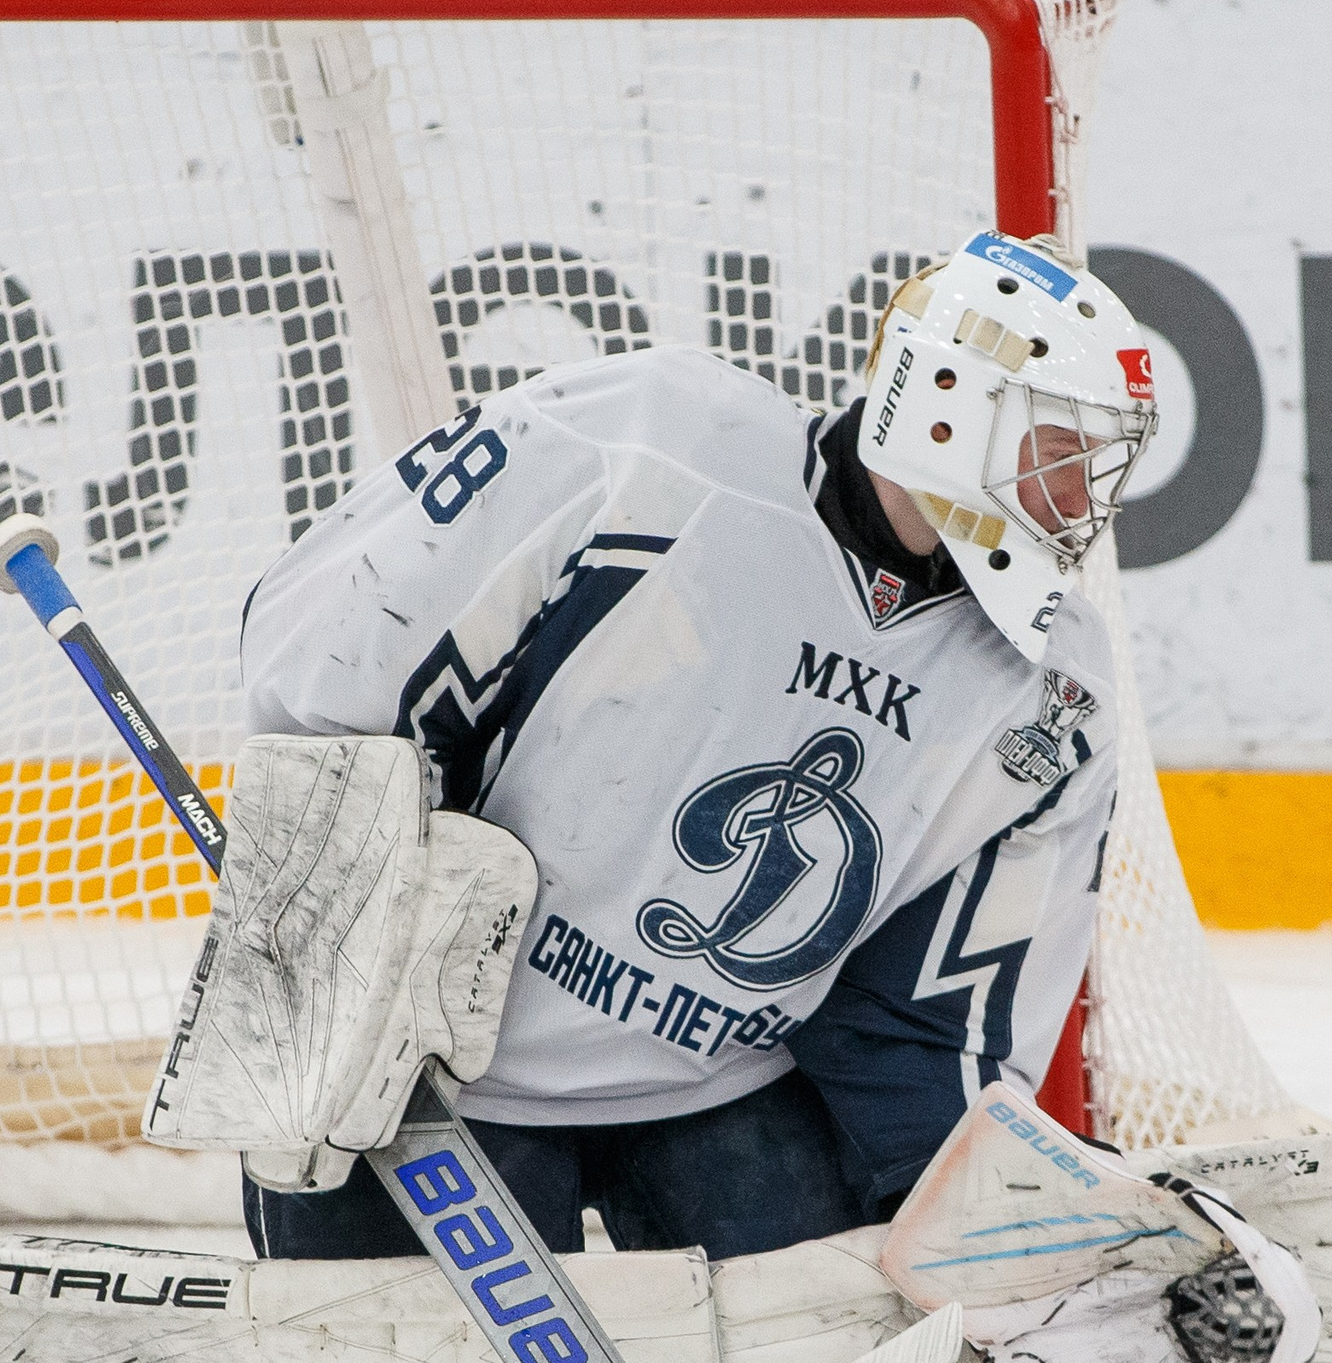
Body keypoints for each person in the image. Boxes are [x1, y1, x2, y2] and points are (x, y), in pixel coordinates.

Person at [228, 230, 1158, 1262]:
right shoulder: (648, 447)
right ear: (948, 398)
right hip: (417, 1076)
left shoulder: (1052, 690)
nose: (1083, 499)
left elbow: (925, 1022)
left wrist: (1000, 1222)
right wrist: (334, 918)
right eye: (1059, 451)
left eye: (1097, 464)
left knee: (850, 1356)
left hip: (719, 1095)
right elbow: (324, 657)